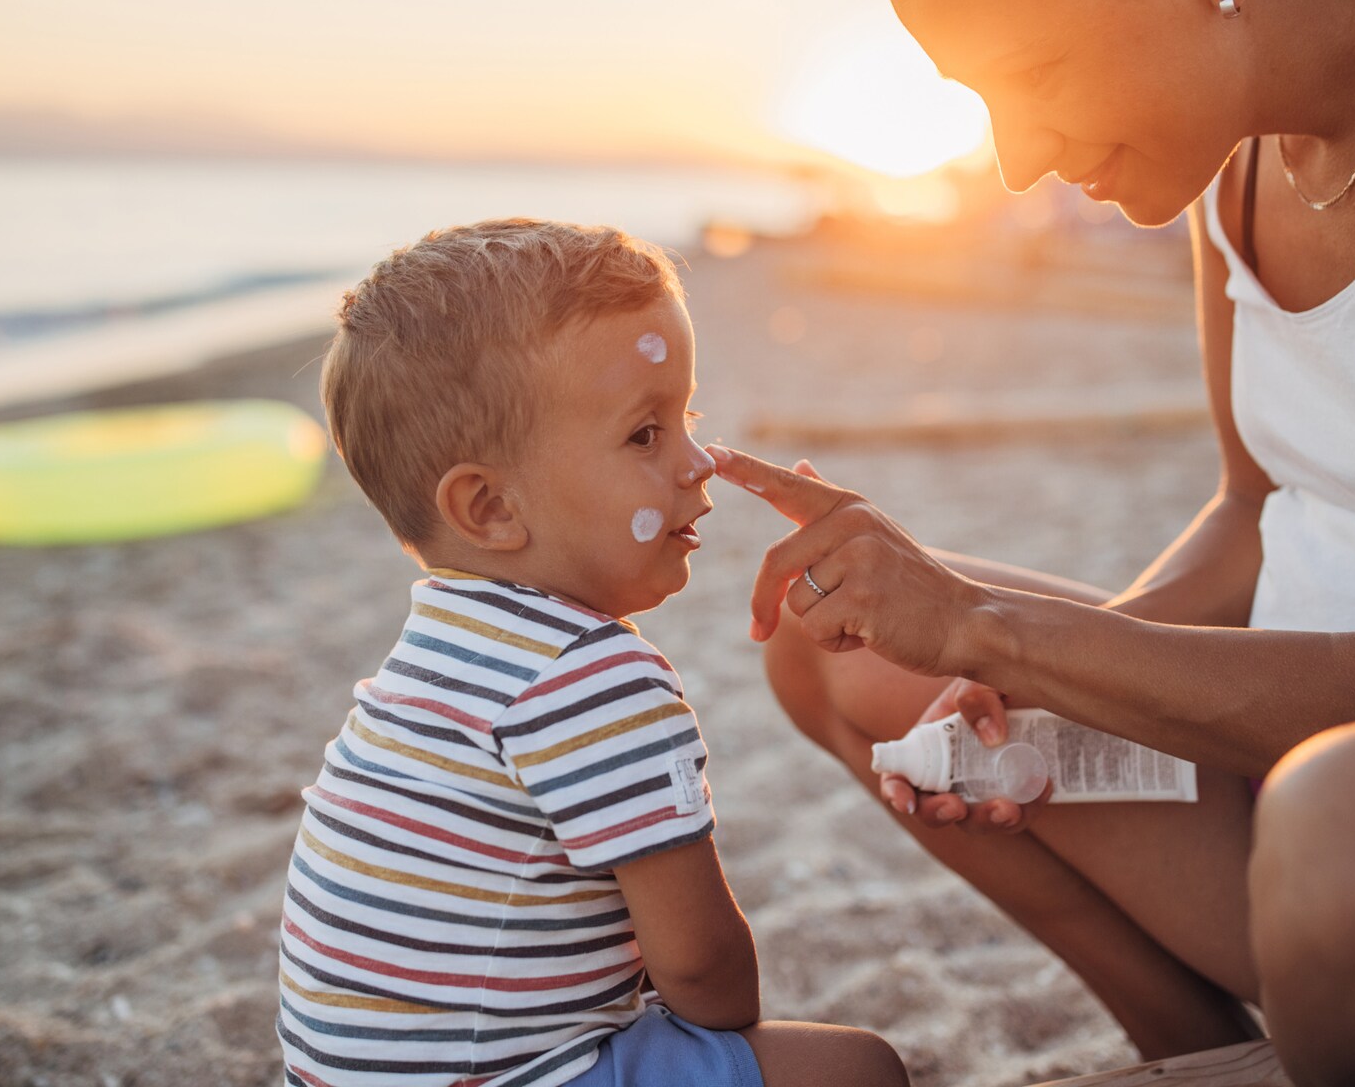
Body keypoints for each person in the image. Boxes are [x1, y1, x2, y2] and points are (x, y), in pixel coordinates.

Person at [704, 0, 1355, 1083]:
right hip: (1308, 784)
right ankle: (1203, 1056)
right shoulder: (1242, 136)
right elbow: (1251, 508)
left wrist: (998, 631)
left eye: (1034, 75)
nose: (1013, 162)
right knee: (849, 659)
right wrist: (1024, 675)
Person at [277, 220, 908, 1087]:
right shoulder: (593, 676)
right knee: (858, 1069)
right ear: (490, 507)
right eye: (644, 436)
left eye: (686, 417)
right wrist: (717, 1024)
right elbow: (700, 972)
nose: (700, 462)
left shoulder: (433, 655)